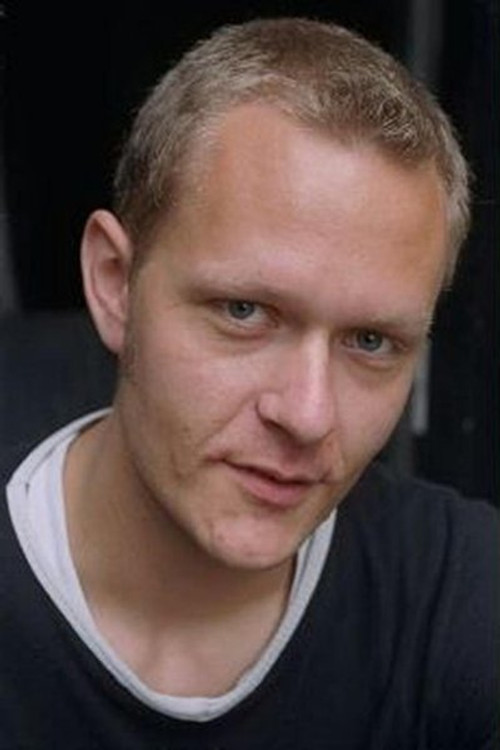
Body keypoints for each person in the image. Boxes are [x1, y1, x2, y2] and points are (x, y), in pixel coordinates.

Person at [1, 17, 498, 749]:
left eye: (370, 342)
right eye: (245, 312)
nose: (308, 413)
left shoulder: (457, 593)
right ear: (114, 284)